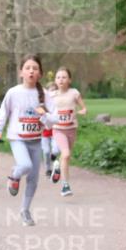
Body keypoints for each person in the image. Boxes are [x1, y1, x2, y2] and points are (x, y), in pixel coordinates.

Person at [0, 55, 56, 226]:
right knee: (25, 165)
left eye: (35, 68)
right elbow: (3, 112)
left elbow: (53, 120)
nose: (31, 71)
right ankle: (14, 175)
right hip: (17, 138)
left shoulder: (45, 95)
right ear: (21, 72)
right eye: (27, 68)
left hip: (36, 140)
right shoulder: (14, 92)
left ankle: (25, 210)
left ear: (40, 73)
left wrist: (44, 115)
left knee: (34, 178)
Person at [47, 67, 87, 196]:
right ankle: (65, 186)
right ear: (55, 80)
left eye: (64, 77)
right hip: (58, 129)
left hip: (71, 129)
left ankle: (57, 166)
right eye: (58, 77)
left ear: (69, 80)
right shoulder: (51, 95)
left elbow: (83, 107)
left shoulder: (74, 93)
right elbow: (44, 109)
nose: (61, 80)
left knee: (66, 157)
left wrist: (83, 111)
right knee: (66, 154)